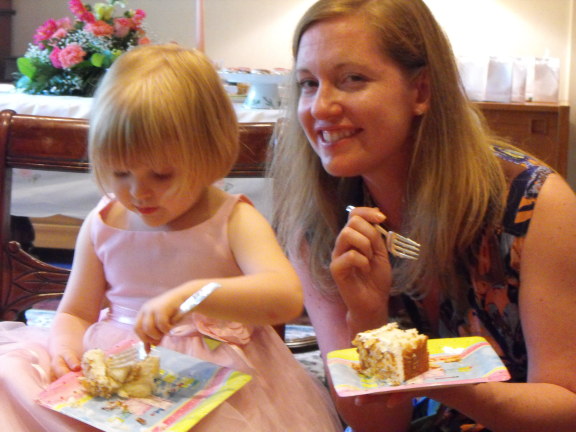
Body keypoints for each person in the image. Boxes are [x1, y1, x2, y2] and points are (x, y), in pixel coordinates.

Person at [0, 43, 342, 431]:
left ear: (210, 154)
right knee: (11, 373)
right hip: (121, 368)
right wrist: (64, 350)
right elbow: (76, 312)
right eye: (119, 172)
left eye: (161, 176)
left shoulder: (234, 220)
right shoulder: (104, 222)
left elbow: (284, 297)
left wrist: (194, 295)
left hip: (215, 379)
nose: (138, 192)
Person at [269, 1, 576, 431]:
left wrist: (430, 372)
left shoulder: (536, 206)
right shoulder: (318, 224)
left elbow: (566, 407)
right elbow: (377, 424)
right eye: (308, 83)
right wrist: (368, 320)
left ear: (421, 91)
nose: (320, 107)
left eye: (352, 79)